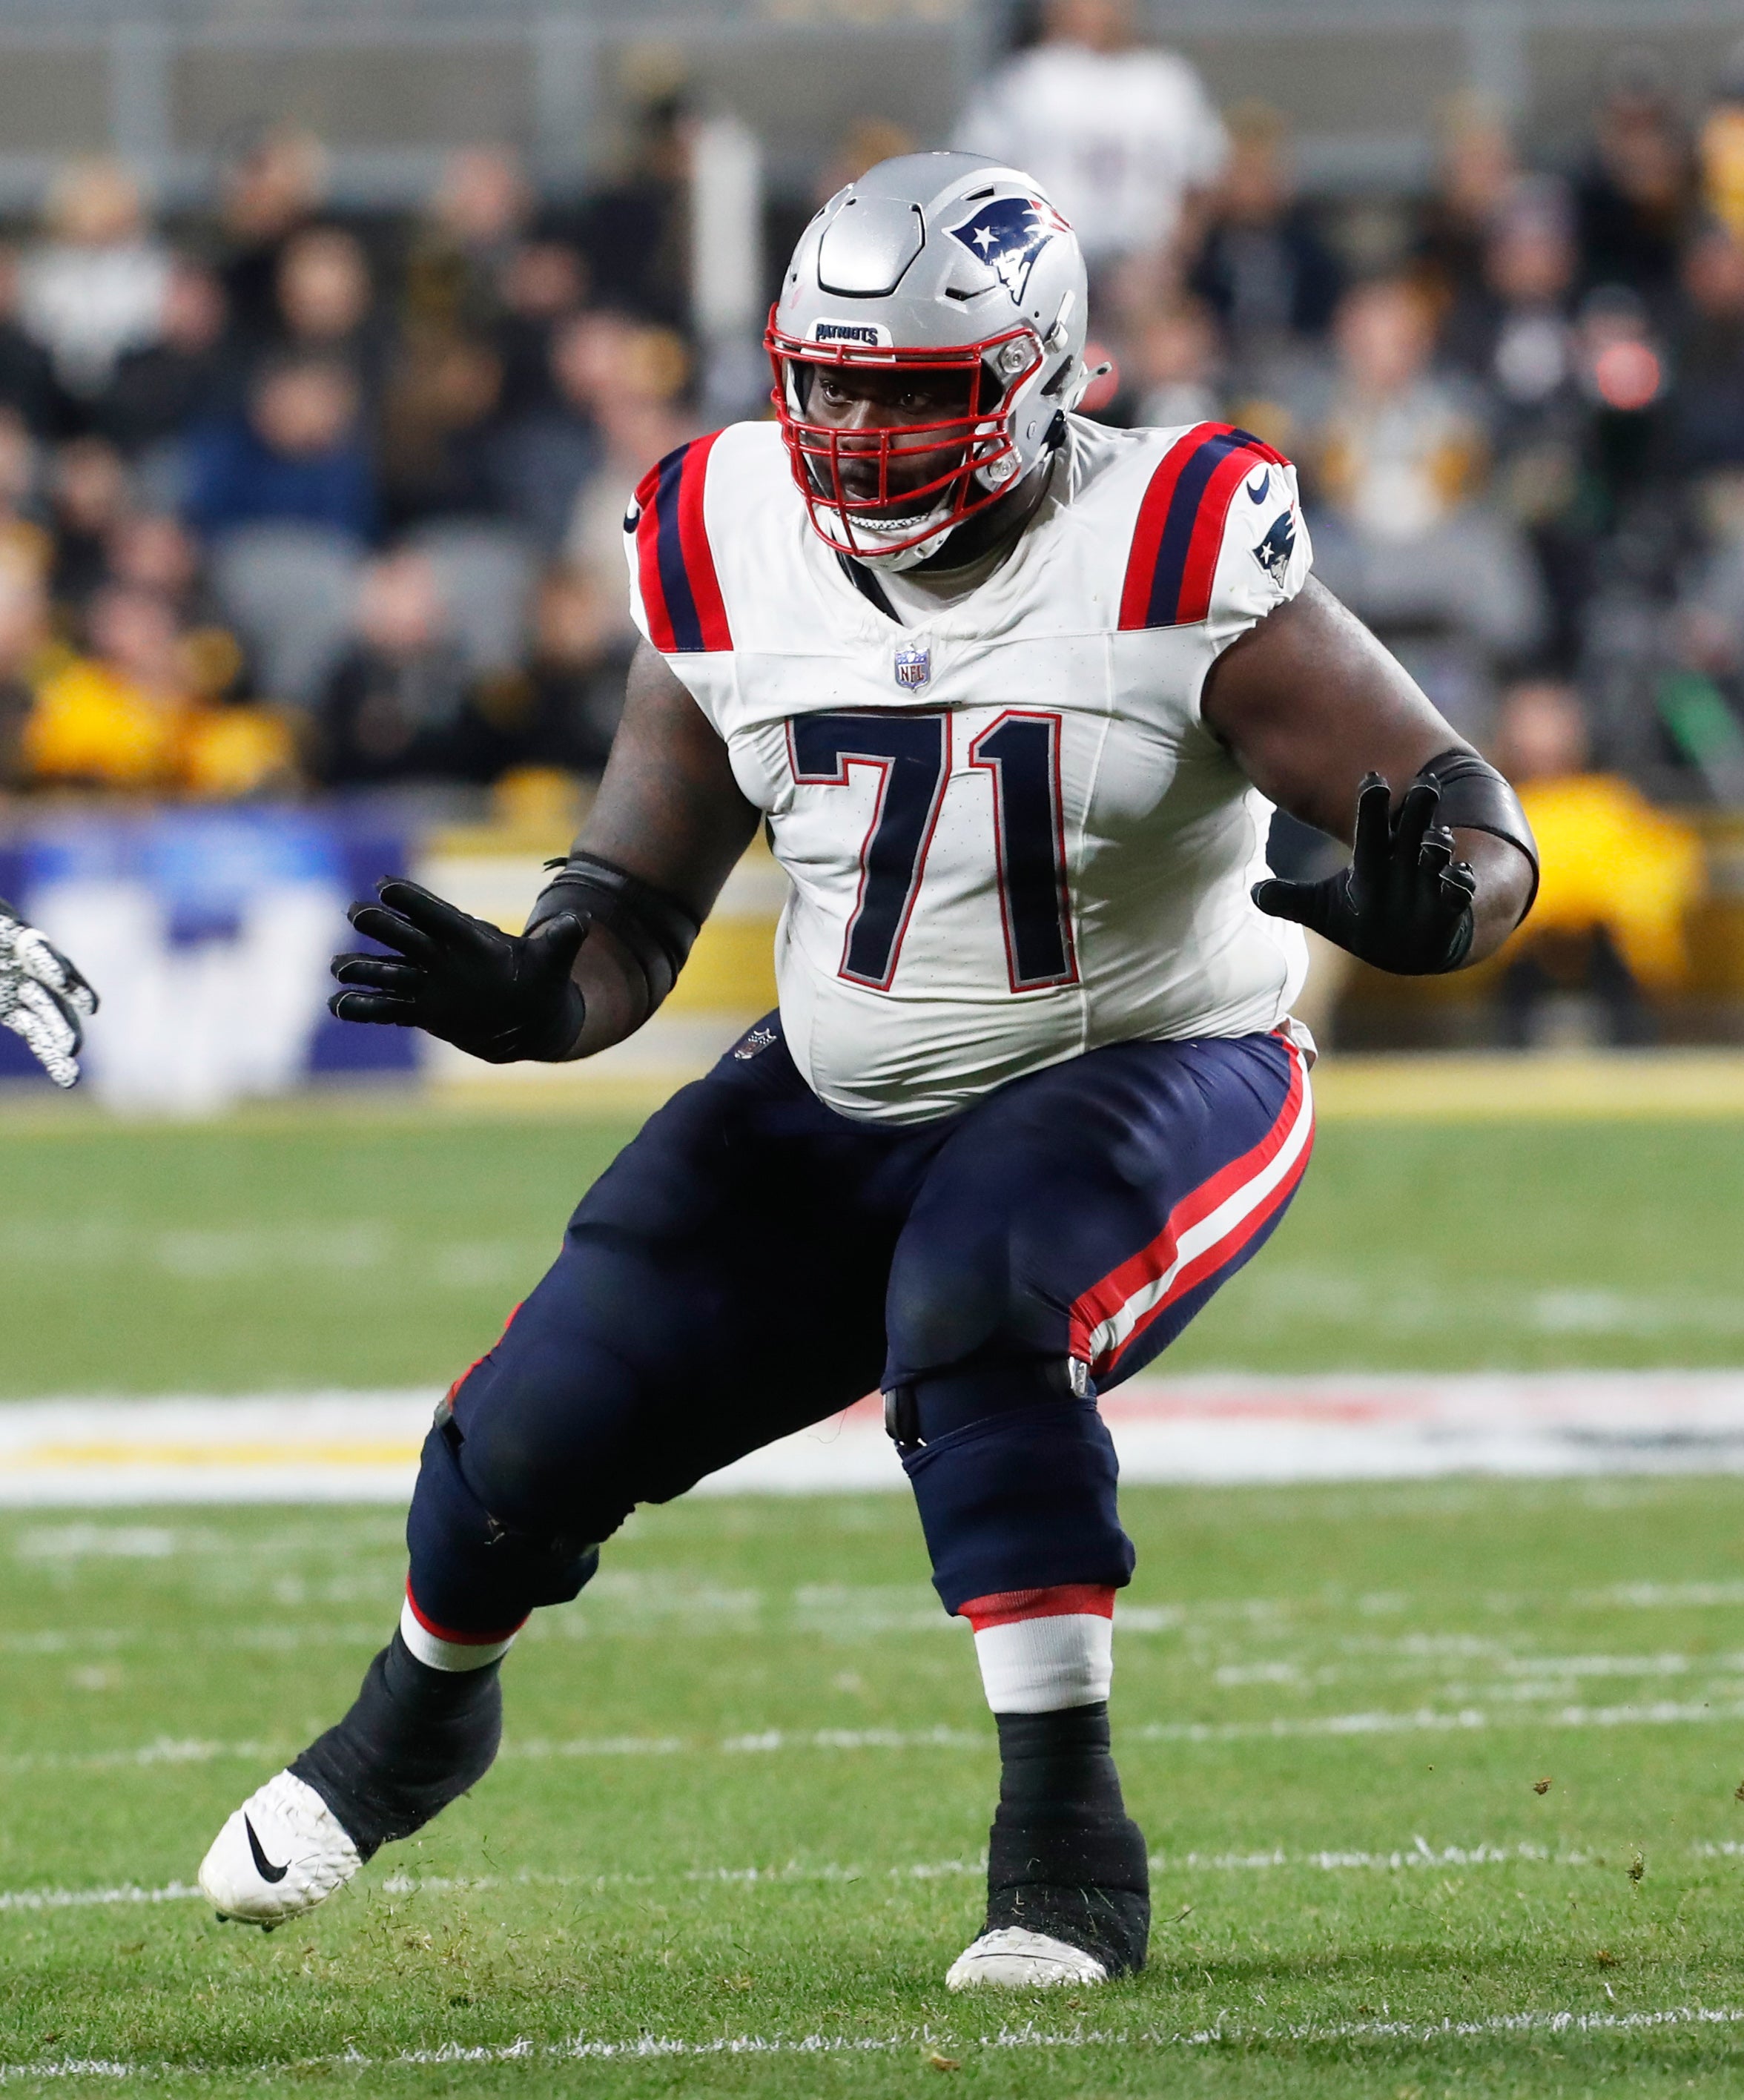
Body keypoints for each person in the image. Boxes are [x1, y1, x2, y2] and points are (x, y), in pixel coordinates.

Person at [196, 153, 1538, 1990]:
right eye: (820, 382)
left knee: (982, 1293)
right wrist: (539, 995)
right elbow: (634, 899)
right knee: (529, 1424)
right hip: (843, 1085)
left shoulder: (1163, 537)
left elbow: (1471, 816)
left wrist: (1427, 909)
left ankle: (1065, 1828)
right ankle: (416, 1713)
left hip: (1154, 1056)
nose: (846, 431)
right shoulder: (729, 527)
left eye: (901, 395)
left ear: (1038, 378)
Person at [954, 0, 1226, 298]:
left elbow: (1204, 179)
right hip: (1045, 265)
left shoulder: (1168, 79)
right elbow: (978, 178)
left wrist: (1173, 259)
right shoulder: (1025, 80)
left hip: (1150, 268)